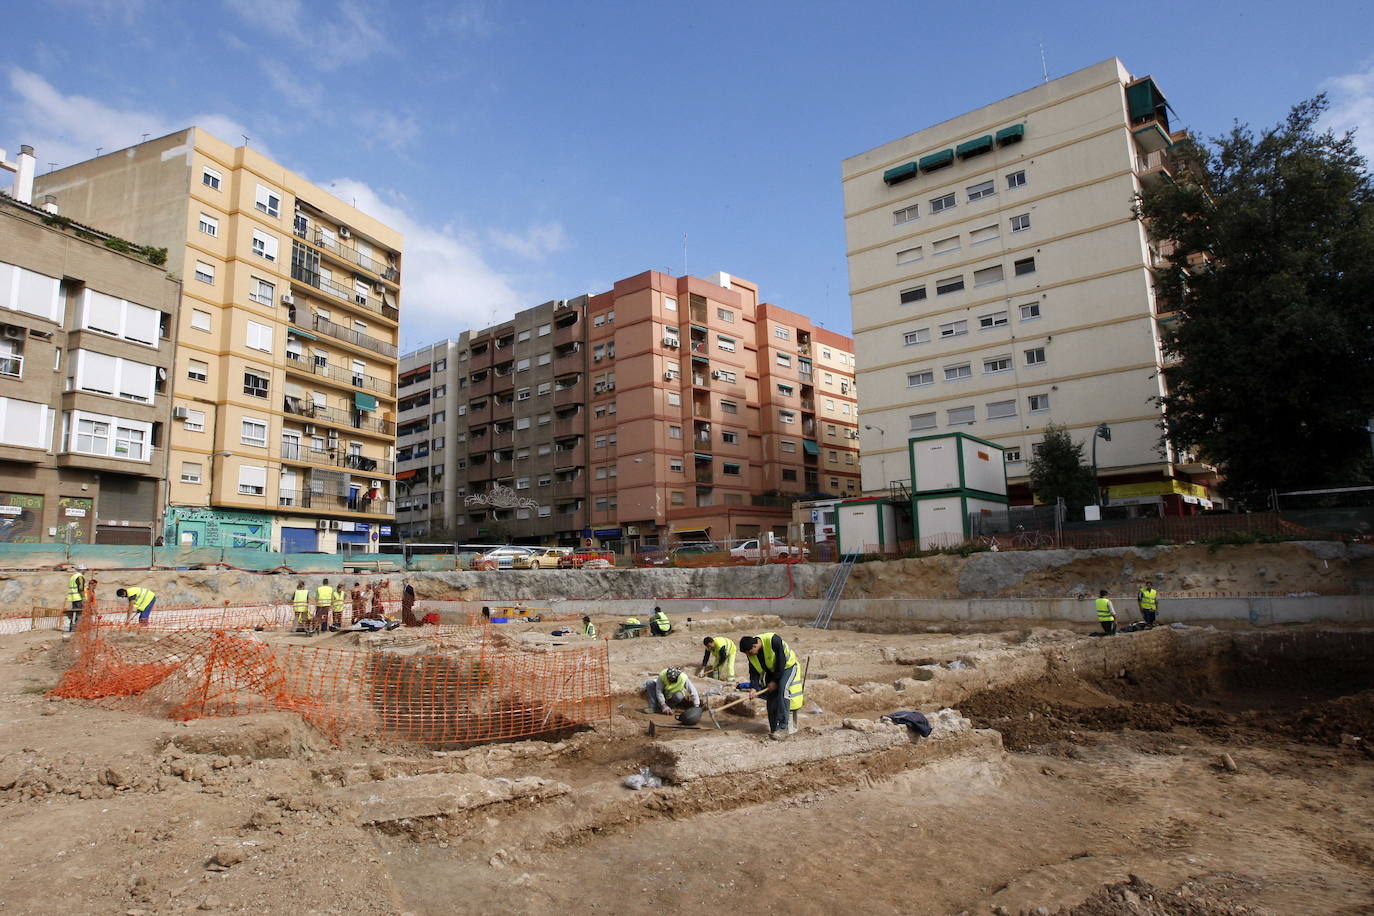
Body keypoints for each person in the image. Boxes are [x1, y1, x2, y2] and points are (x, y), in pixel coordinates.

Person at [740, 632, 804, 740]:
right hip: (772, 671)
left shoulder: (773, 640)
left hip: (787, 666)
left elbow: (781, 661)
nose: (749, 655)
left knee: (783, 689)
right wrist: (754, 688)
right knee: (771, 697)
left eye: (750, 652)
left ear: (755, 646)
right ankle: (775, 729)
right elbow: (753, 671)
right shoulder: (751, 653)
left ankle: (784, 728)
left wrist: (775, 681)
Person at [65, 568, 86, 633]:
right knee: (80, 614)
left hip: (73, 598)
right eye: (85, 570)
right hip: (78, 598)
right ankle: (78, 630)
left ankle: (72, 629)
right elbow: (81, 588)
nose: (85, 571)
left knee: (74, 614)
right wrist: (84, 598)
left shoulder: (73, 576)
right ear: (82, 570)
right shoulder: (80, 577)